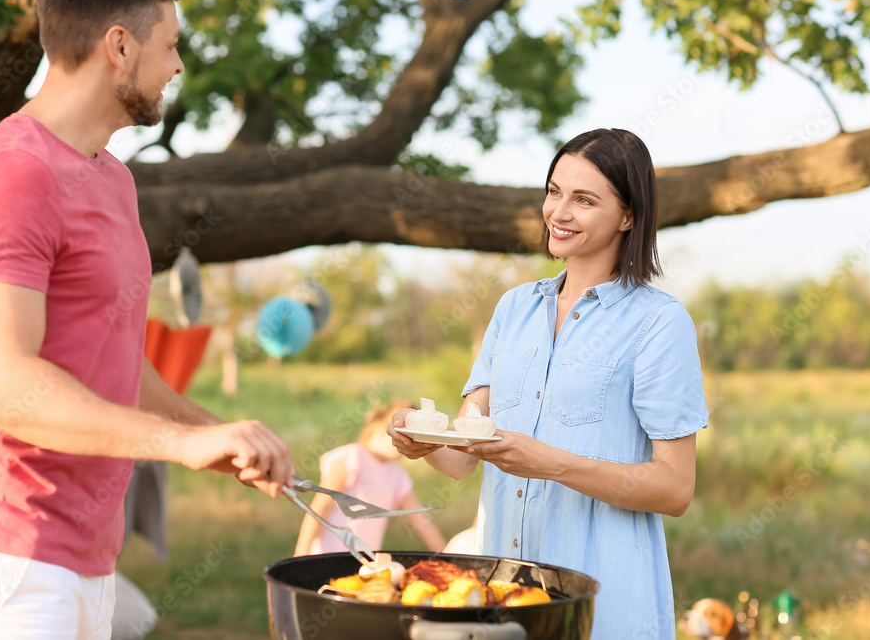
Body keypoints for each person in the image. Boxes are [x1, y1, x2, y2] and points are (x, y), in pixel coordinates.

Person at [0, 0, 295, 638]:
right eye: (172, 45)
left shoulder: (111, 177)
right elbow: (3, 388)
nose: (179, 65)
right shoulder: (13, 175)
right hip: (8, 556)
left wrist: (214, 434)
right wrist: (181, 443)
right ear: (119, 46)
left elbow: (117, 361)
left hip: (88, 557)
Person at [389, 129, 709, 639]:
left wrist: (551, 463)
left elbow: (675, 488)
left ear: (628, 216)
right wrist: (418, 439)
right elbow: (463, 456)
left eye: (584, 200)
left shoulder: (658, 324)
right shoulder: (514, 308)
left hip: (605, 607)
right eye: (555, 191)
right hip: (502, 600)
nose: (559, 212)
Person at [294, 401, 445, 556]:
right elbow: (320, 508)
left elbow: (422, 522)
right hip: (328, 556)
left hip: (364, 561)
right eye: (403, 435)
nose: (407, 443)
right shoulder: (352, 458)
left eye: (413, 438)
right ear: (381, 428)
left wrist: (449, 558)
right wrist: (301, 553)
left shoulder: (397, 476)